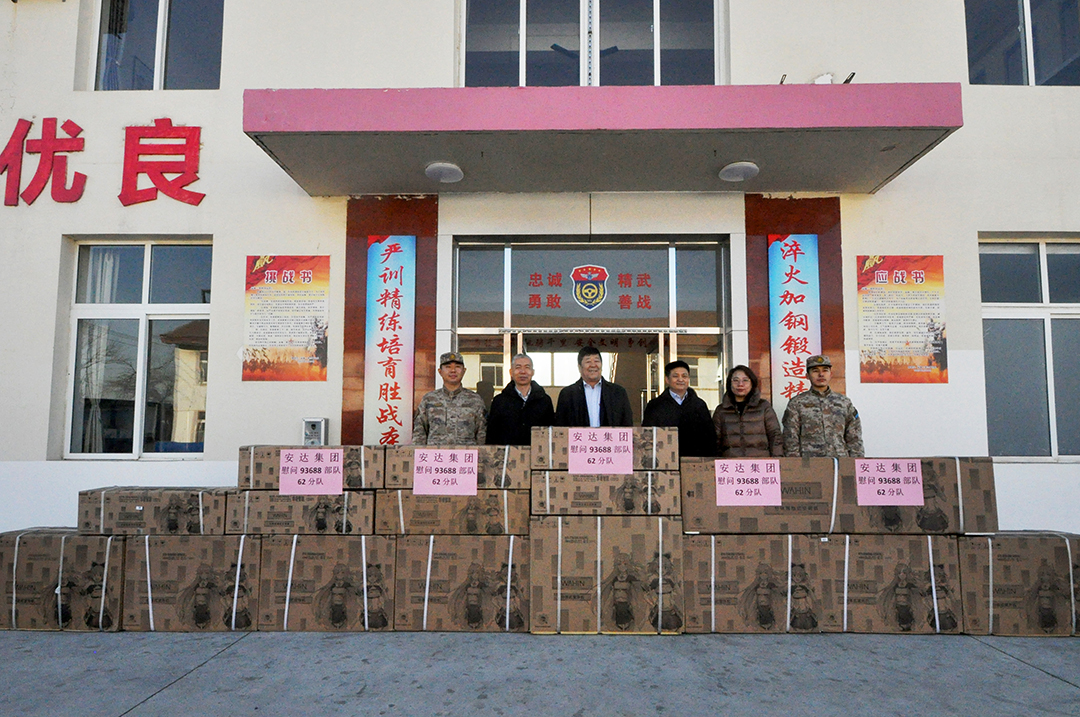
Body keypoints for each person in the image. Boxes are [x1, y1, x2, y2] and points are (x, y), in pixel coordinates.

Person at [782, 354, 864, 457]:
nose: (821, 374)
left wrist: (856, 462)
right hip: (809, 462)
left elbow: (854, 438)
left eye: (825, 370)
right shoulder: (797, 403)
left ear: (831, 374)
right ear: (807, 376)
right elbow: (790, 439)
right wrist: (796, 464)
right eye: (815, 371)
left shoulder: (844, 403)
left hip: (839, 461)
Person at [642, 360, 716, 457]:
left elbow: (710, 437)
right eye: (675, 376)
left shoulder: (699, 405)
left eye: (684, 376)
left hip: (694, 460)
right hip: (665, 459)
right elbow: (647, 434)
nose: (680, 379)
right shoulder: (655, 405)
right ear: (667, 380)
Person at [412, 352, 487, 445]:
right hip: (435, 453)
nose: (453, 370)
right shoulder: (429, 399)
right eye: (448, 367)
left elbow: (482, 435)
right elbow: (419, 434)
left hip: (466, 453)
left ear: (464, 371)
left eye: (457, 367)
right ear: (440, 371)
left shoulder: (475, 400)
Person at [554, 346, 633, 427]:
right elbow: (560, 428)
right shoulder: (567, 394)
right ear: (579, 367)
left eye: (596, 361)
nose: (593, 365)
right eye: (588, 361)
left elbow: (627, 425)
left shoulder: (618, 392)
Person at [713, 364, 783, 457]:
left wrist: (777, 460)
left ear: (752, 383)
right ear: (729, 383)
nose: (740, 384)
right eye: (735, 380)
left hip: (760, 462)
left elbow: (775, 436)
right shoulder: (721, 410)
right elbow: (715, 441)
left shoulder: (763, 407)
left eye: (745, 380)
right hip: (731, 463)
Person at [486, 353, 555, 445]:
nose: (523, 371)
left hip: (537, 452)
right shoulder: (499, 401)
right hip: (507, 453)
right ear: (511, 372)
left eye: (527, 367)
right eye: (518, 367)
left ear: (533, 372)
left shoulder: (544, 400)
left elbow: (551, 432)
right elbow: (492, 435)